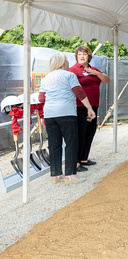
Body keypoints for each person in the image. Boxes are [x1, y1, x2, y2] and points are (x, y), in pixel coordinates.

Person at [39, 53, 96, 184]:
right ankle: (70, 175)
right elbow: (79, 92)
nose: (68, 62)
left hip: (50, 114)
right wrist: (89, 108)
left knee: (54, 144)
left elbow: (41, 98)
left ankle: (55, 174)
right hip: (66, 113)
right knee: (71, 143)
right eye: (66, 60)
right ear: (62, 62)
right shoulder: (70, 75)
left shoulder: (45, 78)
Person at [68, 45, 109, 172]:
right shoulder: (73, 70)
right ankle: (77, 161)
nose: (82, 56)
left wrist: (96, 73)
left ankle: (85, 158)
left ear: (88, 56)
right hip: (80, 106)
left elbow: (106, 80)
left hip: (94, 105)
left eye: (84, 54)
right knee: (80, 133)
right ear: (76, 56)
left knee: (90, 132)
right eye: (79, 54)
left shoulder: (93, 69)